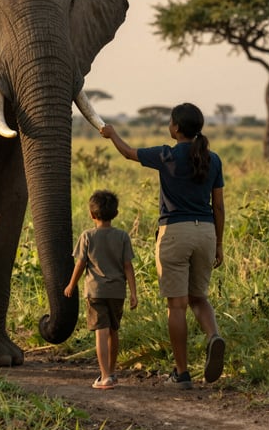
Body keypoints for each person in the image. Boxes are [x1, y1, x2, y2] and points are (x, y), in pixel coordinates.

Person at [100, 103, 225, 390]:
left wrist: (112, 134)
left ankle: (181, 374)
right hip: (205, 231)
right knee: (199, 298)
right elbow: (218, 205)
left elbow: (129, 153)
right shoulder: (213, 159)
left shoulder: (165, 154)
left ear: (176, 128)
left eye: (170, 122)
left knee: (177, 306)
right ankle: (213, 335)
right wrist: (219, 243)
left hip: (174, 233)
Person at [64, 189, 138, 389]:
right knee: (114, 331)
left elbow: (80, 264)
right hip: (117, 292)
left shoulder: (87, 236)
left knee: (101, 333)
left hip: (95, 292)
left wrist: (71, 284)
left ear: (91, 214)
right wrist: (133, 293)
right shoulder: (122, 236)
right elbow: (128, 267)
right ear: (115, 213)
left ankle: (104, 376)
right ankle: (112, 373)